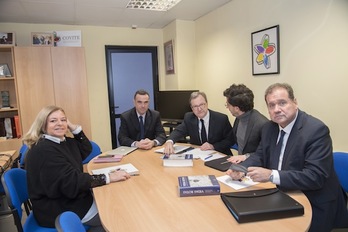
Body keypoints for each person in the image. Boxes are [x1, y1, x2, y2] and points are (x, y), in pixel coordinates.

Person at [227, 83, 348, 232]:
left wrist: (271, 175)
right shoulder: (269, 128)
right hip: (283, 194)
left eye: (282, 103)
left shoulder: (316, 130)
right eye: (271, 105)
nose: (277, 109)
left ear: (295, 102)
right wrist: (241, 168)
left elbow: (314, 177)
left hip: (314, 200)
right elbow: (260, 155)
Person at [24, 106, 131, 230]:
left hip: (69, 197)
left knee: (114, 200)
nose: (60, 123)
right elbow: (72, 182)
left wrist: (73, 128)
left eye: (63, 120)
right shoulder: (44, 150)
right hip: (60, 208)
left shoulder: (61, 141)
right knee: (116, 214)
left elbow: (86, 149)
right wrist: (108, 177)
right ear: (42, 125)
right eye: (53, 121)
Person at [164, 91, 235, 155]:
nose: (199, 109)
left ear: (207, 104)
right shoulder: (189, 118)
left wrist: (213, 146)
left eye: (202, 104)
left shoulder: (221, 119)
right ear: (192, 108)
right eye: (195, 106)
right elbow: (178, 131)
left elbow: (230, 140)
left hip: (219, 156)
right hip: (198, 156)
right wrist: (170, 141)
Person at [223, 84, 268, 163]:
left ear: (237, 108)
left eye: (228, 105)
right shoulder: (238, 118)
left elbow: (266, 153)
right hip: (241, 165)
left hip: (255, 168)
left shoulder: (262, 124)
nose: (227, 107)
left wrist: (245, 157)